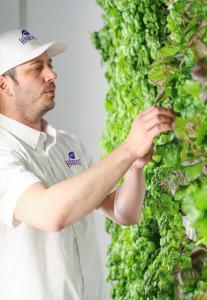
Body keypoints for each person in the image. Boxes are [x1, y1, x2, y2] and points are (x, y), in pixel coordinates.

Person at [0, 28, 175, 300]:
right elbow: (50, 214)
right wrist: (128, 149)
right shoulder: (4, 150)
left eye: (50, 64)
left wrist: (136, 166)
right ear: (4, 85)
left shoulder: (67, 145)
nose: (52, 75)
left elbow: (124, 213)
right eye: (36, 68)